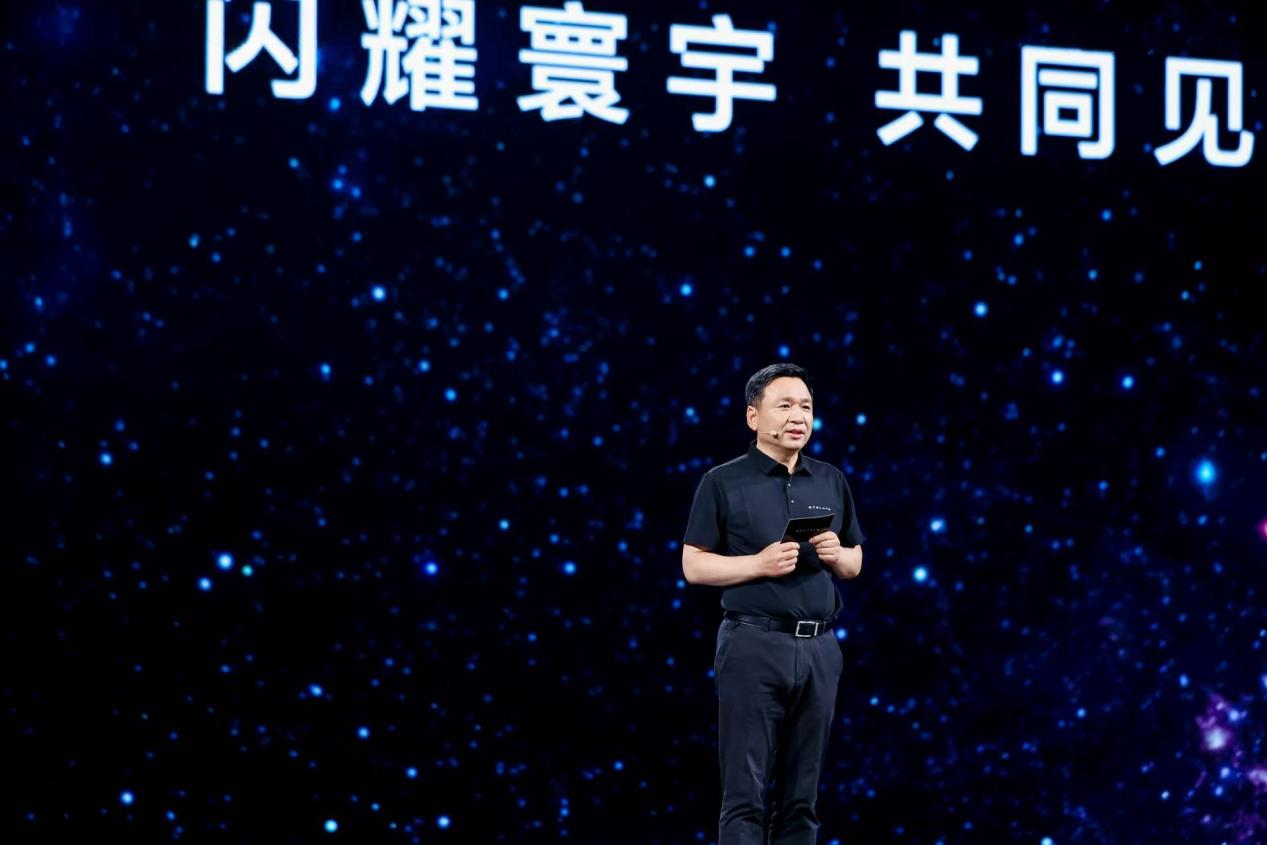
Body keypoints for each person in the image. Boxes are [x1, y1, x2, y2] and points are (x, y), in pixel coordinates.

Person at [681, 362, 866, 845]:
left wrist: (840, 555)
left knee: (802, 799)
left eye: (806, 407)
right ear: (753, 416)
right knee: (746, 796)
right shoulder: (722, 481)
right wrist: (757, 564)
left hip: (820, 649)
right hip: (753, 644)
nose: (798, 417)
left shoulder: (830, 479)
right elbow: (693, 566)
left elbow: (855, 561)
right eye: (784, 406)